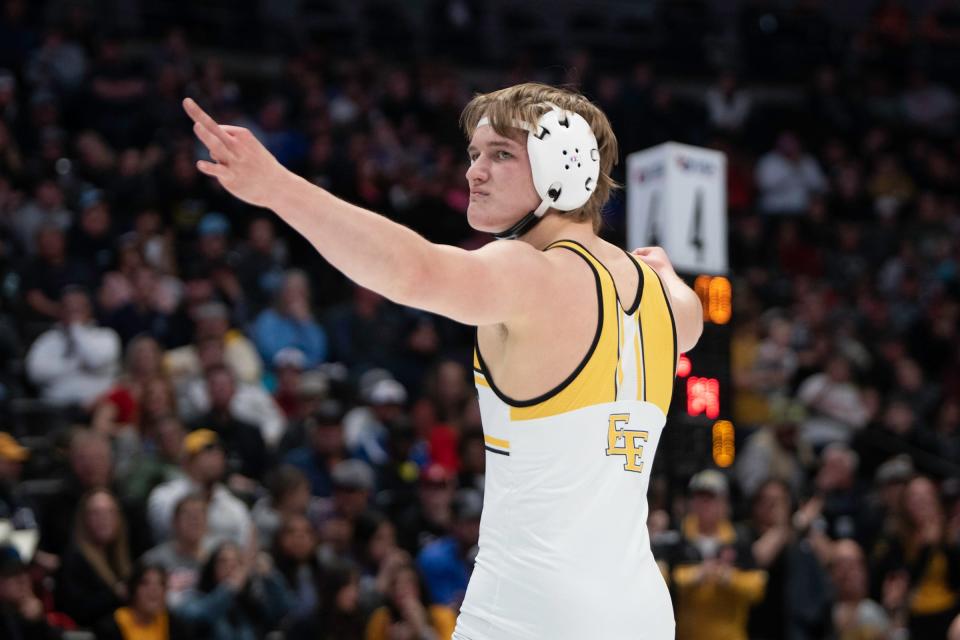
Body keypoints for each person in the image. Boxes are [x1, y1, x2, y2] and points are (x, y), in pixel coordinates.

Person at [183, 80, 703, 639]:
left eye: (500, 154)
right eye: (474, 155)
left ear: (568, 163)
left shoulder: (532, 274)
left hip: (531, 612)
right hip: (643, 612)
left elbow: (415, 271)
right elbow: (689, 320)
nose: (473, 173)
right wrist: (669, 277)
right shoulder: (671, 301)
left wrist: (279, 189)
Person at [95, 563, 195, 640]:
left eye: (161, 583)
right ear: (133, 589)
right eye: (145, 583)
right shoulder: (110, 627)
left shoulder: (175, 626)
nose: (154, 590)